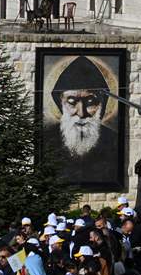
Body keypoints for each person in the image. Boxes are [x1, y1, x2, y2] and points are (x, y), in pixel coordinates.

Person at [43, 56, 120, 185]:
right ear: (60, 103)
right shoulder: (46, 139)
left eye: (90, 102)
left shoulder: (113, 140)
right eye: (72, 102)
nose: (81, 113)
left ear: (103, 104)